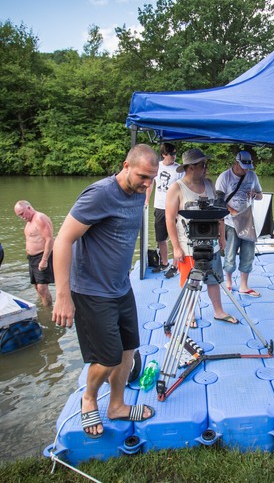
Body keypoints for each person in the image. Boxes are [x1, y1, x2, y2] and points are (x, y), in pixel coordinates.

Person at [51, 144, 159, 438]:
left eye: (152, 178)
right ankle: (89, 399)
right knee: (107, 357)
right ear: (126, 165)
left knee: (128, 350)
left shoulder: (140, 192)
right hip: (91, 290)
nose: (147, 184)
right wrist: (63, 296)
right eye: (142, 176)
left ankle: (117, 406)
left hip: (121, 287)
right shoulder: (99, 194)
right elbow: (62, 241)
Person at [165, 148, 238, 326]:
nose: (206, 168)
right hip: (188, 245)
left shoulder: (210, 184)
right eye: (202, 165)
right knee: (191, 280)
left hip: (211, 242)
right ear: (190, 167)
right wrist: (175, 247)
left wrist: (222, 236)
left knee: (214, 278)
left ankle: (218, 311)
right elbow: (169, 218)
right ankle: (189, 313)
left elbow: (218, 212)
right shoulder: (176, 188)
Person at [216, 151, 263, 296]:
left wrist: (254, 194)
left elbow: (260, 195)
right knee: (230, 253)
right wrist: (232, 212)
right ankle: (228, 283)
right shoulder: (225, 177)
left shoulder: (252, 176)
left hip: (247, 221)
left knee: (248, 254)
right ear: (236, 163)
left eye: (247, 167)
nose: (245, 170)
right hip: (231, 222)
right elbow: (219, 201)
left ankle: (244, 286)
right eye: (243, 167)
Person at [145, 142, 184, 278]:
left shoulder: (179, 169)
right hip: (160, 206)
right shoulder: (157, 166)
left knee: (176, 238)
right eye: (171, 154)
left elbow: (183, 188)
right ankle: (164, 263)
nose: (174, 156)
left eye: (175, 153)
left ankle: (175, 265)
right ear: (163, 154)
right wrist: (146, 200)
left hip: (174, 207)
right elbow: (150, 184)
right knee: (161, 238)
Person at [14, 200, 54, 306]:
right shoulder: (29, 222)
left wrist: (44, 260)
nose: (22, 217)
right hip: (32, 258)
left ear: (28, 208)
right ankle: (42, 306)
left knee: (42, 288)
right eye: (19, 215)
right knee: (37, 286)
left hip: (41, 256)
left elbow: (49, 239)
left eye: (22, 214)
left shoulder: (39, 218)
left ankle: (48, 312)